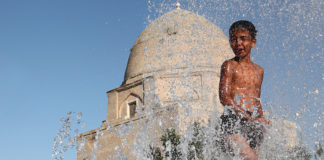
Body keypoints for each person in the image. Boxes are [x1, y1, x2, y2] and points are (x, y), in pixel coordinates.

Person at [219, 20, 270, 160]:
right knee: (250, 158)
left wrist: (261, 118)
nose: (238, 43)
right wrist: (245, 115)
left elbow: (256, 101)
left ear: (253, 42)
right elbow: (224, 97)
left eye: (243, 38)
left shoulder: (259, 71)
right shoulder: (229, 65)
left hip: (252, 125)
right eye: (233, 39)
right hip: (232, 122)